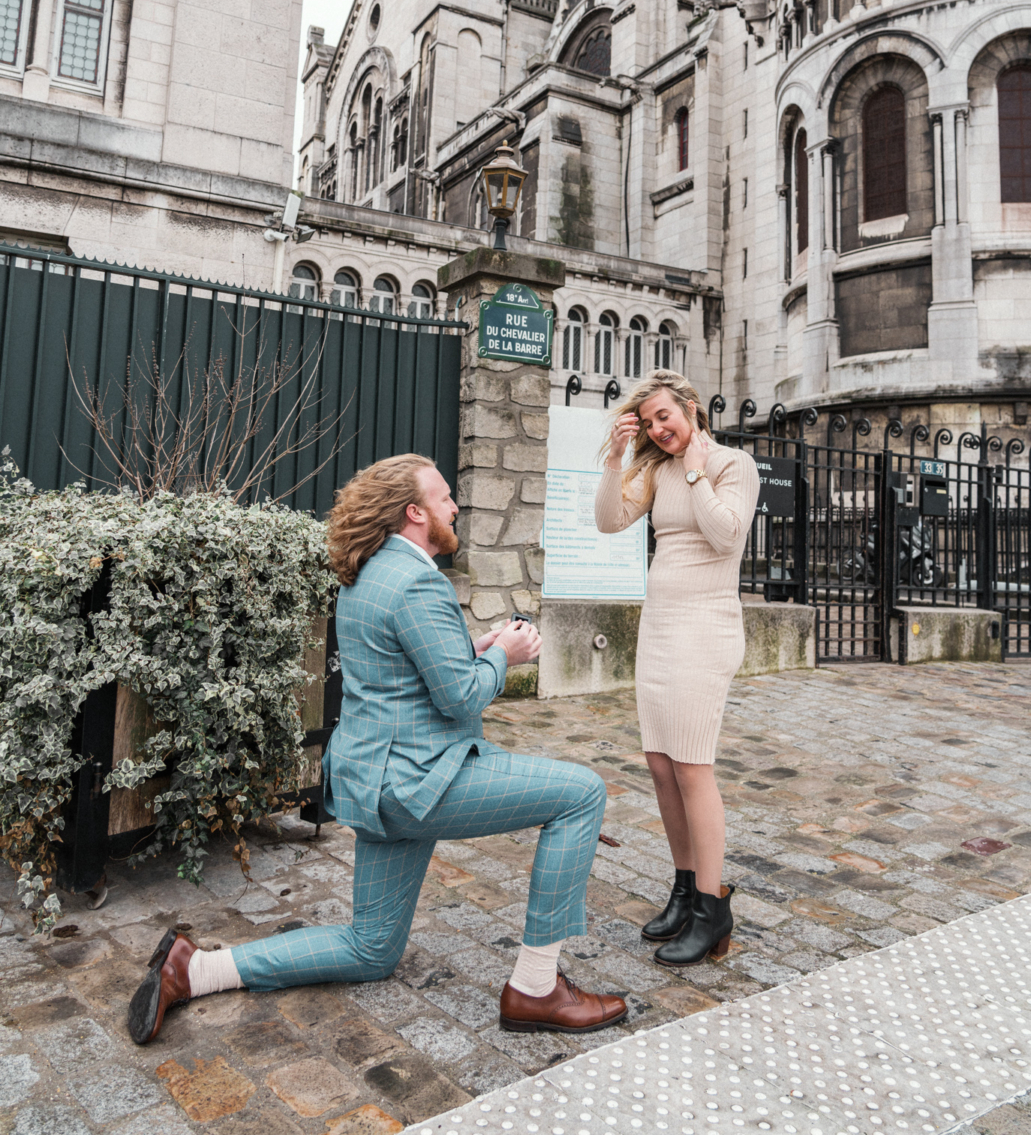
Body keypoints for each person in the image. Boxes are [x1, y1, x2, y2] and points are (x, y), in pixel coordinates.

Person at [128, 453, 626, 1045]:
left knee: (372, 949)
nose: (455, 506)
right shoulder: (420, 580)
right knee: (580, 794)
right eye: (444, 498)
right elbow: (461, 699)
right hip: (420, 782)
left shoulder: (370, 573)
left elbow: (404, 666)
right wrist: (504, 657)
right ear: (415, 513)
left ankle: (197, 969)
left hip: (372, 779)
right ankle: (537, 989)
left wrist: (474, 644)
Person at [595, 371, 759, 966]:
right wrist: (616, 460)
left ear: (689, 408)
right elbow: (610, 521)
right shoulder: (656, 472)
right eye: (650, 422)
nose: (660, 429)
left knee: (693, 768)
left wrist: (694, 466)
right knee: (662, 766)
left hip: (706, 628)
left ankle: (714, 911)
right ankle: (686, 890)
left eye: (666, 416)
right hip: (660, 630)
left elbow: (726, 535)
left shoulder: (732, 465)